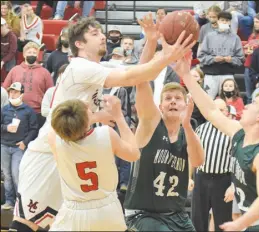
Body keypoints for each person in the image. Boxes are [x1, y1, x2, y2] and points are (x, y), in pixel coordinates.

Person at [9, 15, 196, 231]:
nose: (103, 36)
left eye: (101, 32)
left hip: (75, 151)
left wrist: (152, 41)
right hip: (49, 152)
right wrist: (168, 54)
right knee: (26, 223)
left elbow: (139, 74)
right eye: (94, 34)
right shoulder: (80, 67)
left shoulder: (97, 67)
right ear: (79, 43)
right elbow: (133, 77)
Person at [171, 53, 259, 231]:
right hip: (253, 223)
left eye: (254, 104)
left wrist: (239, 224)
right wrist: (186, 76)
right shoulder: (241, 134)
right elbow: (211, 111)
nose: (248, 105)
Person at [48, 96, 139, 231]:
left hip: (74, 212)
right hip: (108, 211)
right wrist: (119, 116)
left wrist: (89, 115)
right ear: (85, 123)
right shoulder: (106, 134)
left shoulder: (54, 140)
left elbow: (62, 122)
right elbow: (134, 154)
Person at [124, 81, 205, 231]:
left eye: (178, 98)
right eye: (168, 98)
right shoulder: (150, 125)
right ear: (160, 107)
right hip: (143, 213)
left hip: (176, 215)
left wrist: (186, 125)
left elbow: (198, 161)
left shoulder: (189, 134)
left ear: (186, 106)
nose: (173, 101)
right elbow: (141, 88)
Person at [192, 98, 234, 231]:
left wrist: (233, 185)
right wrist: (189, 177)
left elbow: (238, 160)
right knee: (197, 220)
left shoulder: (233, 131)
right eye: (217, 109)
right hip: (201, 177)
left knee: (222, 221)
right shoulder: (200, 129)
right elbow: (191, 154)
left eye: (223, 110)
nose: (220, 113)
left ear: (227, 112)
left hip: (223, 180)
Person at [1, 82, 38, 210]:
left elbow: (34, 129)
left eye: (15, 92)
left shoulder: (28, 111)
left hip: (18, 148)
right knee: (7, 175)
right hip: (4, 146)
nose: (12, 94)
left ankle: (19, 201)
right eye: (11, 92)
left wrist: (25, 142)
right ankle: (9, 201)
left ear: (22, 94)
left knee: (16, 174)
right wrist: (6, 128)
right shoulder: (4, 109)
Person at [3, 42, 54, 130]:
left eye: (34, 53)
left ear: (37, 55)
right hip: (16, 112)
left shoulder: (45, 72)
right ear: (24, 54)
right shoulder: (15, 70)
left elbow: (51, 93)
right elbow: (4, 90)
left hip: (37, 113)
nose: (32, 54)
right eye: (29, 52)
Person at [198, 11, 244, 99]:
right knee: (208, 100)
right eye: (222, 20)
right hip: (210, 74)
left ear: (230, 22)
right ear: (218, 21)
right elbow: (201, 56)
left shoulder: (235, 38)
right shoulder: (209, 36)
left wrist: (231, 60)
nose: (224, 22)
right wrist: (213, 59)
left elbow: (240, 58)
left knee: (228, 101)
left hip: (227, 75)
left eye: (227, 21)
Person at [243, 12, 259, 104]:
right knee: (249, 95)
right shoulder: (252, 35)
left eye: (257, 22)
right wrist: (246, 52)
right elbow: (248, 49)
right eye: (254, 22)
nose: (255, 24)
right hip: (249, 66)